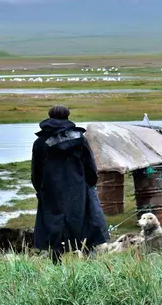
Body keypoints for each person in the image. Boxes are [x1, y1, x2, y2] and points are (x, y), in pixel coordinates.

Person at [32, 105, 109, 263]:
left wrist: (40, 190)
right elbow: (90, 166)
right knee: (85, 224)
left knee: (53, 226)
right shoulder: (79, 139)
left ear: (49, 117)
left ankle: (56, 264)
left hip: (51, 191)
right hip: (78, 189)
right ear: (67, 117)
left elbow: (36, 171)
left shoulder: (40, 142)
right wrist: (90, 183)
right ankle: (89, 262)